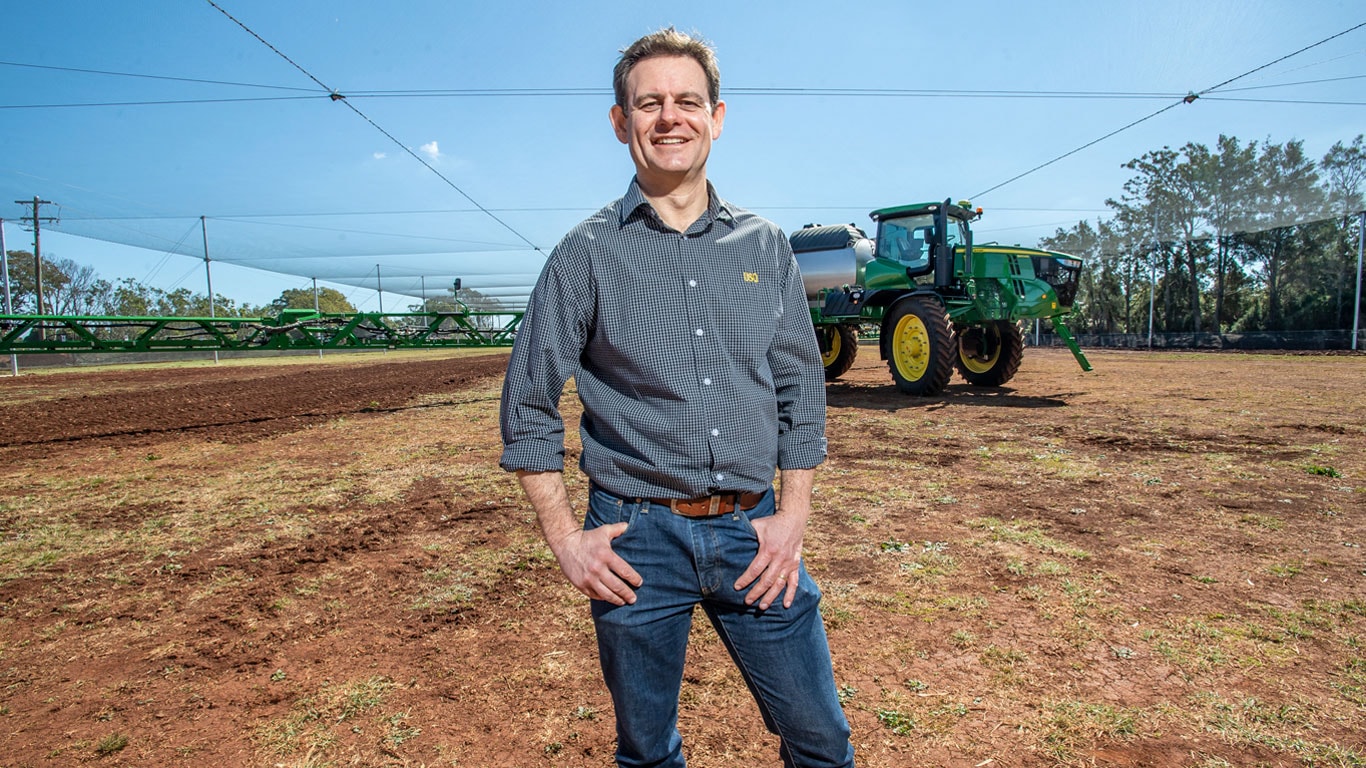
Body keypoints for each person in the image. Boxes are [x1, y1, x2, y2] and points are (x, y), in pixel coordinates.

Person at [499, 27, 855, 768]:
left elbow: (800, 387)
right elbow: (528, 401)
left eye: (688, 101)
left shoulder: (764, 246)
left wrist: (793, 516)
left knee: (821, 740)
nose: (670, 118)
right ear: (621, 122)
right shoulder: (586, 254)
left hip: (753, 535)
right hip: (635, 544)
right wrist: (566, 538)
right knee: (648, 750)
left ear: (717, 117)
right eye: (649, 103)